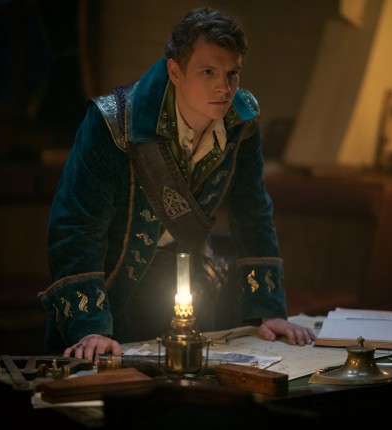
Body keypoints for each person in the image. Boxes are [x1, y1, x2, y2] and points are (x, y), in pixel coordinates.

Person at [39, 6, 315, 363]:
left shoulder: (242, 122)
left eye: (232, 74)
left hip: (191, 290)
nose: (224, 87)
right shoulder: (113, 124)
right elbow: (77, 227)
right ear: (175, 71)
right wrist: (89, 327)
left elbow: (253, 212)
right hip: (112, 297)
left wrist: (268, 310)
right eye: (208, 72)